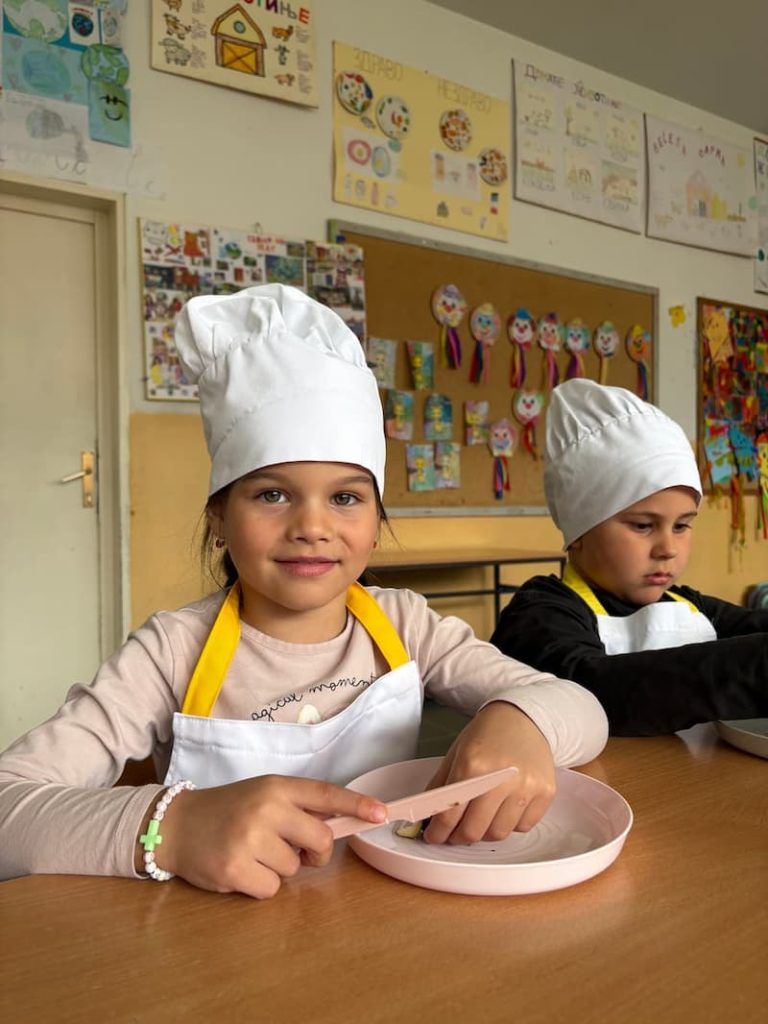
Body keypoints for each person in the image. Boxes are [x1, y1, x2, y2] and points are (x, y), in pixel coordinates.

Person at [0, 286, 607, 898]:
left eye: (345, 497)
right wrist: (172, 828)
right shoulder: (171, 652)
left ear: (376, 525)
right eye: (272, 494)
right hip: (219, 932)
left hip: (388, 909)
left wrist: (520, 719)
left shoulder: (407, 625)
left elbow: (582, 708)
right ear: (218, 518)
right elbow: (8, 806)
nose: (313, 526)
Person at [491, 378, 768, 736]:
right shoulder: (540, 614)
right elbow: (591, 691)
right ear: (579, 532)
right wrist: (754, 665)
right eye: (642, 526)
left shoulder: (687, 605)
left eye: (682, 526)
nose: (667, 548)